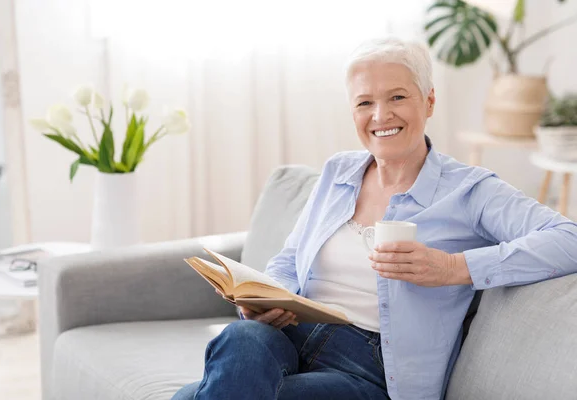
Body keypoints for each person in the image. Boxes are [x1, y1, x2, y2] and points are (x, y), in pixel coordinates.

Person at [172, 38, 577, 400]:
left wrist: (455, 267)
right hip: (291, 335)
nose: (381, 115)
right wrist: (263, 301)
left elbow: (568, 237)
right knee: (243, 336)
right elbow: (291, 256)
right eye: (365, 102)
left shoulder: (471, 190)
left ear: (429, 101)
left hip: (373, 369)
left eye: (398, 97)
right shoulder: (338, 172)